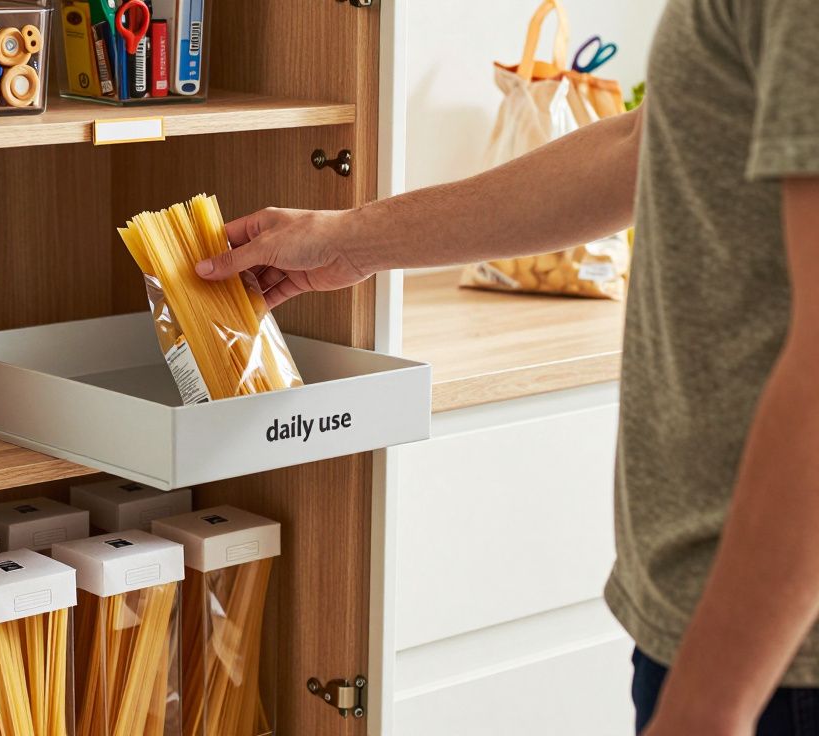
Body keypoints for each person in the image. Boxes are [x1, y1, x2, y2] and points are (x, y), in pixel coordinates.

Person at [195, 2, 819, 735]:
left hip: (768, 658)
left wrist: (708, 711)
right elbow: (646, 143)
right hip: (724, 632)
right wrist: (348, 240)